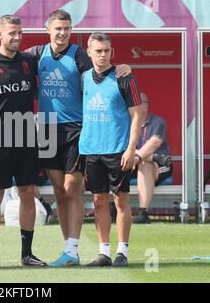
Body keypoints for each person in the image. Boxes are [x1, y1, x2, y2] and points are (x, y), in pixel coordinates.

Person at [0, 9, 131, 267]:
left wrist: (122, 67)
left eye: (67, 28)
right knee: (58, 191)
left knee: (72, 189)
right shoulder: (35, 55)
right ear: (48, 29)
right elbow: (8, 54)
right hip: (48, 128)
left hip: (76, 129)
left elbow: (102, 71)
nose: (62, 33)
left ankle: (73, 250)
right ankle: (68, 250)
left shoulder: (79, 56)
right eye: (58, 28)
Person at [0, 15, 47, 268]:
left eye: (20, 33)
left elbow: (55, 55)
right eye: (11, 33)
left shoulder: (29, 61)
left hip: (27, 135)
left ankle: (27, 254)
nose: (16, 38)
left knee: (28, 192)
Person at [80, 32, 142, 267]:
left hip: (118, 149)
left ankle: (122, 252)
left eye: (106, 50)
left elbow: (137, 115)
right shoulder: (83, 77)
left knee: (121, 199)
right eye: (98, 51)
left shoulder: (125, 77)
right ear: (89, 52)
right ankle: (104, 253)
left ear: (111, 52)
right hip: (91, 148)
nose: (103, 55)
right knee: (98, 200)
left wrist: (131, 149)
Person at [132, 92, 173, 224]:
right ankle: (114, 208)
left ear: (145, 107)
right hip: (134, 163)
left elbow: (155, 142)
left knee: (145, 164)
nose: (133, 106)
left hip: (161, 165)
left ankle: (143, 213)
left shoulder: (158, 122)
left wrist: (138, 156)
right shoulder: (128, 123)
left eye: (138, 103)